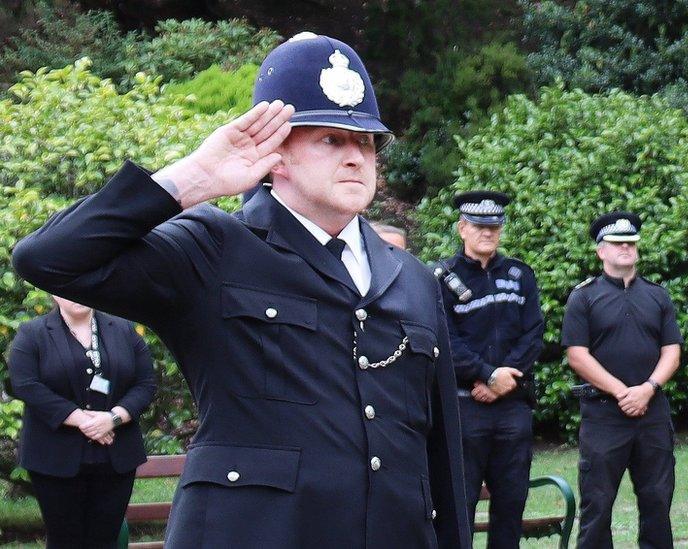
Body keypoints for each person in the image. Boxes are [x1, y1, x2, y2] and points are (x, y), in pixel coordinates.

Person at [13, 33, 469, 548]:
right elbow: (48, 258)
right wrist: (194, 179)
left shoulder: (410, 276)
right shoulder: (215, 247)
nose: (355, 158)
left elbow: (439, 448)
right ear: (276, 155)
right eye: (330, 140)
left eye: (364, 141)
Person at [561, 211, 683, 549]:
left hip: (652, 415)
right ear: (601, 251)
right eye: (617, 243)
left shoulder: (658, 296)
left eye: (631, 242)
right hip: (604, 417)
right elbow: (577, 356)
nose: (625, 248)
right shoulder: (583, 297)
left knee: (657, 503)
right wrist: (621, 392)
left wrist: (647, 389)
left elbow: (671, 351)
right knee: (597, 507)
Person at [434, 191, 544, 548]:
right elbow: (445, 341)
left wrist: (503, 379)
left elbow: (533, 333)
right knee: (459, 506)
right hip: (466, 410)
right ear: (462, 228)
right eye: (480, 226)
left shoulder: (520, 274)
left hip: (512, 407)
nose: (488, 233)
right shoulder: (441, 278)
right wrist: (486, 373)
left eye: (494, 226)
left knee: (511, 505)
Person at [8, 296, 156, 549]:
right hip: (54, 458)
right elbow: (25, 385)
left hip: (116, 457)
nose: (76, 295)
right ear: (53, 294)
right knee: (65, 541)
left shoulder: (124, 330)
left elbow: (146, 384)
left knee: (105, 539)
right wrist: (83, 421)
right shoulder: (32, 333)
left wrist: (113, 418)